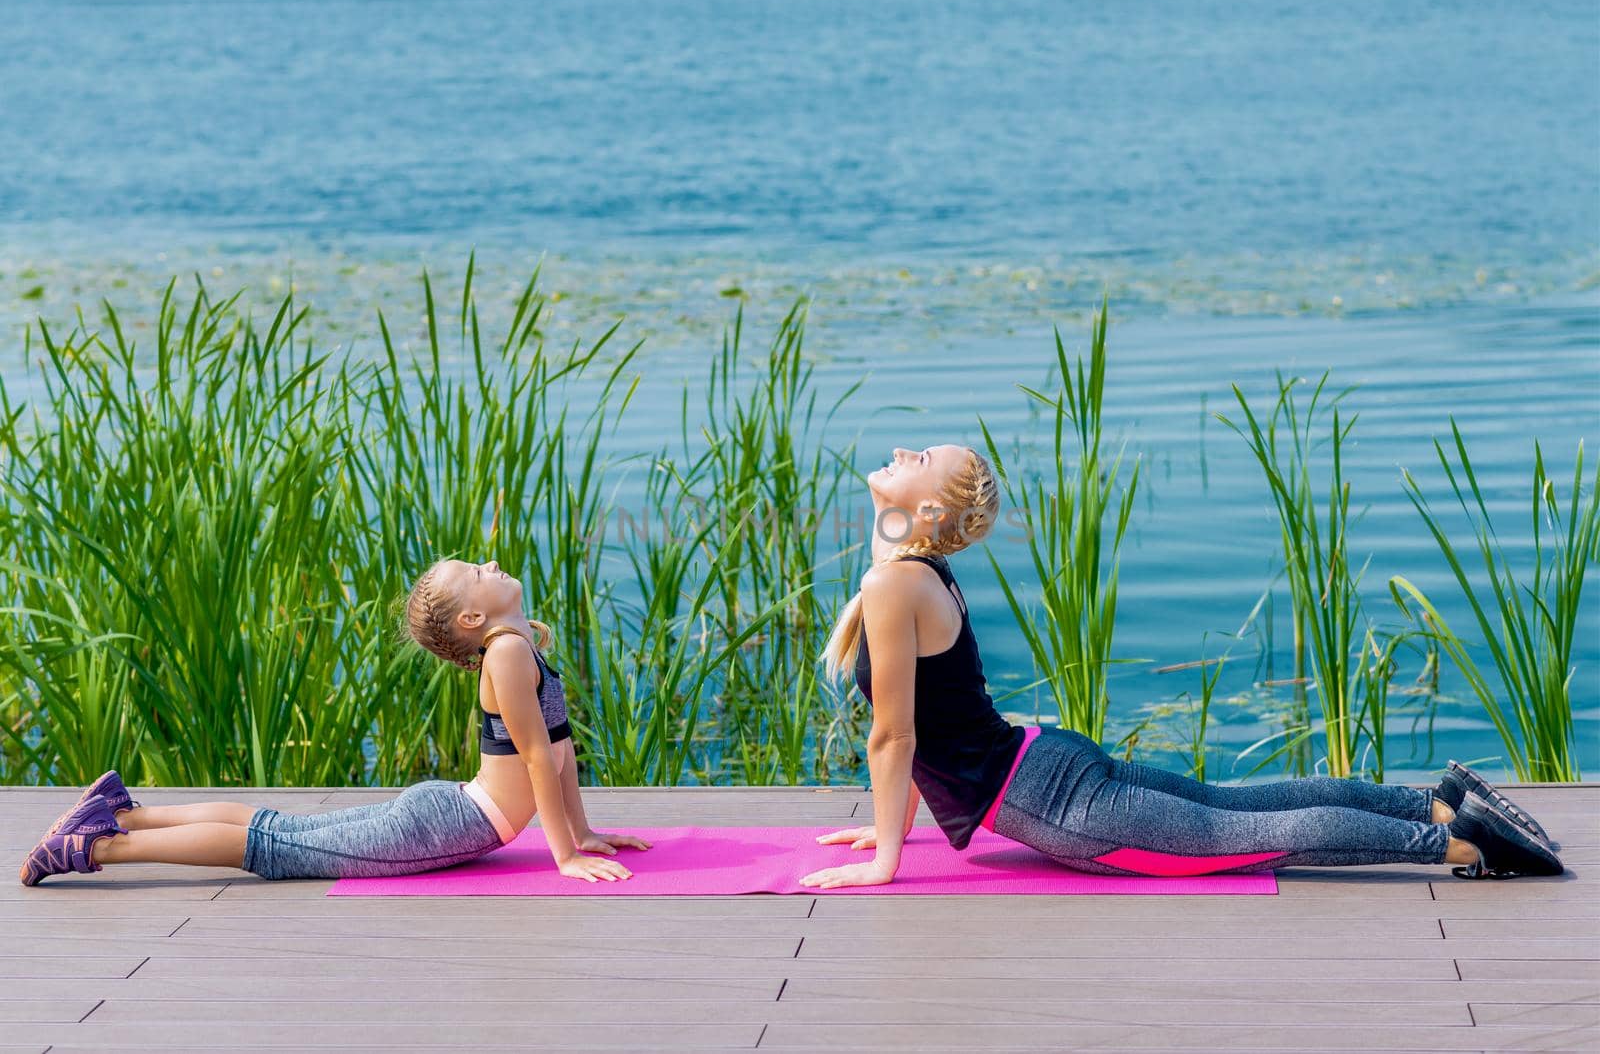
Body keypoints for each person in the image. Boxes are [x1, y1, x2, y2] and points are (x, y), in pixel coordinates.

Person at [799, 444, 1563, 890]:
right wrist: (888, 824)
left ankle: (1465, 842)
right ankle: (1434, 802)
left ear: (930, 514)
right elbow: (922, 724)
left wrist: (886, 863)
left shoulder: (893, 579)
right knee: (1238, 802)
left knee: (1252, 834)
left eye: (921, 458)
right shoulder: (910, 571)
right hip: (1044, 762)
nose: (902, 453)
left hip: (1052, 798)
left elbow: (896, 737)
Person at [21, 558, 649, 886]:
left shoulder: (520, 646)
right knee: (272, 846)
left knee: (282, 830)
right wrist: (563, 856)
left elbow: (557, 749)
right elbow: (539, 760)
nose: (488, 565)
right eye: (473, 574)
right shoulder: (509, 653)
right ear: (471, 623)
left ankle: (123, 811)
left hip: (450, 812)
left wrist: (584, 831)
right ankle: (98, 843)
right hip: (446, 824)